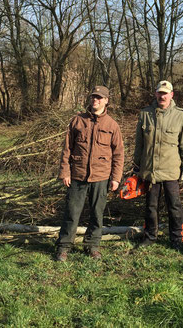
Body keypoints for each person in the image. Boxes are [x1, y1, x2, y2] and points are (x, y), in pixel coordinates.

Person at [54, 86, 124, 261]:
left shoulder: (112, 125)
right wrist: (65, 172)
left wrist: (116, 178)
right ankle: (64, 247)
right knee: (71, 213)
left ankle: (92, 246)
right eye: (94, 97)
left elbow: (118, 154)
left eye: (99, 98)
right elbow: (67, 149)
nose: (95, 100)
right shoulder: (77, 121)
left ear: (106, 100)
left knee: (97, 214)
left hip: (101, 177)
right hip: (77, 175)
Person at [133, 80, 183, 250]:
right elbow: (139, 143)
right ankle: (150, 236)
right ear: (155, 94)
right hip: (150, 170)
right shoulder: (145, 114)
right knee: (151, 206)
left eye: (165, 93)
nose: (162, 96)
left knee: (174, 206)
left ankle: (176, 238)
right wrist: (136, 167)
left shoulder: (180, 115)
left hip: (171, 171)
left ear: (171, 95)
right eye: (160, 93)